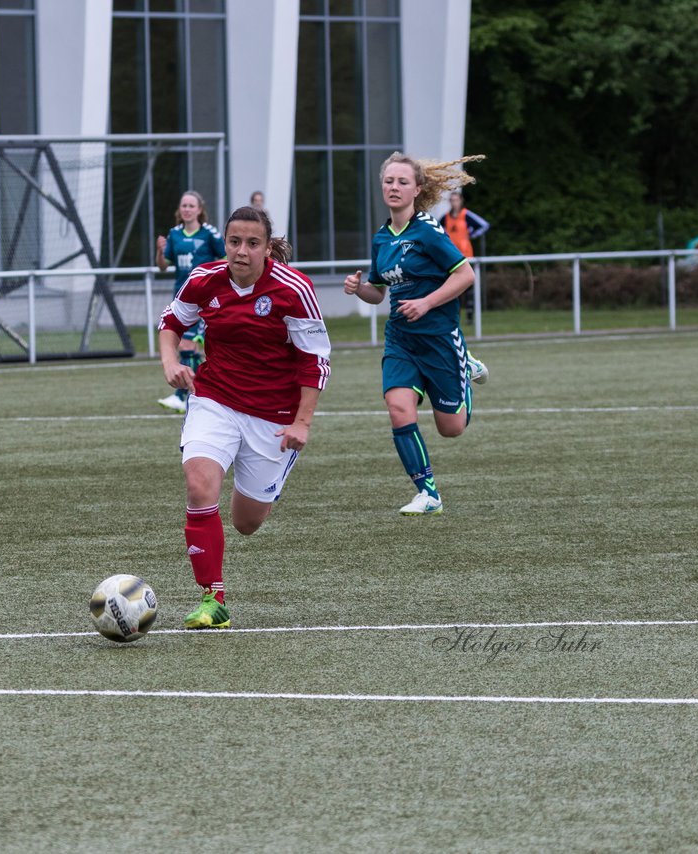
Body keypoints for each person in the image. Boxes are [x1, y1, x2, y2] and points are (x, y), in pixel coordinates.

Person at [158, 205, 331, 629]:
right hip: (214, 399)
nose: (241, 251)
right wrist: (170, 365)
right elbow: (170, 322)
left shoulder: (294, 289)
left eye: (252, 243)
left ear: (267, 248)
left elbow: (316, 362)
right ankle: (212, 599)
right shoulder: (204, 279)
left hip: (274, 416)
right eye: (234, 241)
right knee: (199, 484)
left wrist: (302, 423)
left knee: (246, 523)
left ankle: (265, 482)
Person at [344, 152, 487, 516]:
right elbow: (378, 292)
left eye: (402, 182)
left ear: (417, 189)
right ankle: (428, 493)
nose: (394, 187)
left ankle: (464, 366)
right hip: (401, 340)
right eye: (389, 181)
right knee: (398, 408)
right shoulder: (381, 238)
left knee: (451, 428)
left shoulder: (428, 231)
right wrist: (359, 288)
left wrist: (425, 303)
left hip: (439, 337)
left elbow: (465, 275)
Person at [155, 190, 225, 413]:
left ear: (199, 210)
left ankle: (184, 395)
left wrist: (213, 277)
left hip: (205, 298)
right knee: (192, 349)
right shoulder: (174, 235)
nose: (187, 209)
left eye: (191, 206)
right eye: (183, 205)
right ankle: (196, 394)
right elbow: (163, 266)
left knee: (188, 345)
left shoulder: (209, 234)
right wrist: (159, 252)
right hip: (182, 297)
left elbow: (226, 257)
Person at [441, 190, 489, 259]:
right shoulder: (446, 217)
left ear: (461, 200)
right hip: (451, 251)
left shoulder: (466, 214)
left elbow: (484, 225)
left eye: (456, 200)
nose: (454, 203)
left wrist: (472, 235)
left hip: (465, 252)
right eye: (452, 200)